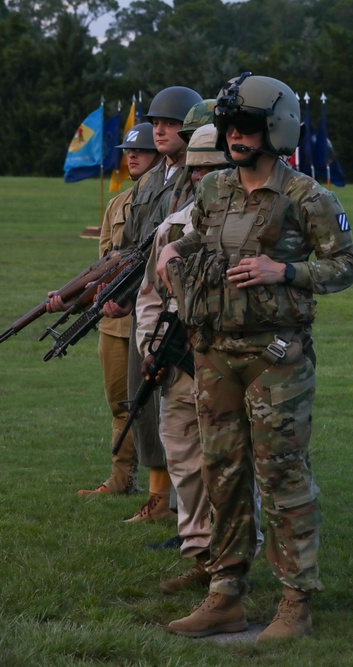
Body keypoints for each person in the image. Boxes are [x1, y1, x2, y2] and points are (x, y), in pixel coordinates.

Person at [156, 72, 353, 641]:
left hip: (276, 354)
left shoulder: (308, 197)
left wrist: (285, 270)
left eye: (247, 126)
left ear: (276, 129)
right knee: (222, 471)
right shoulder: (213, 188)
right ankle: (226, 592)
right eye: (230, 125)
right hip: (215, 350)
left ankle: (296, 601)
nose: (237, 136)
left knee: (282, 474)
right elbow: (200, 236)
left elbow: (343, 267)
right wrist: (178, 249)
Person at [135, 123, 225, 592]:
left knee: (230, 465)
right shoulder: (172, 228)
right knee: (185, 463)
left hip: (230, 366)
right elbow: (149, 297)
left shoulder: (247, 231)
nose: (205, 178)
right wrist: (152, 350)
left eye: (216, 169)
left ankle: (235, 556)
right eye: (199, 170)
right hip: (177, 368)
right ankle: (199, 551)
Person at [48, 122, 161, 496]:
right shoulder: (117, 203)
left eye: (141, 151)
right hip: (113, 321)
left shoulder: (171, 198)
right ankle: (121, 479)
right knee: (119, 403)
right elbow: (102, 266)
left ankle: (168, 491)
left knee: (164, 407)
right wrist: (69, 297)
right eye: (129, 151)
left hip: (155, 319)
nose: (132, 156)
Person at [117, 85, 204, 523]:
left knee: (184, 404)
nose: (161, 130)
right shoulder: (153, 179)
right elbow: (133, 245)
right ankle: (161, 497)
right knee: (145, 393)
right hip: (150, 302)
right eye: (157, 123)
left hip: (187, 305)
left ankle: (186, 507)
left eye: (171, 123)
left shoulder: (202, 173)